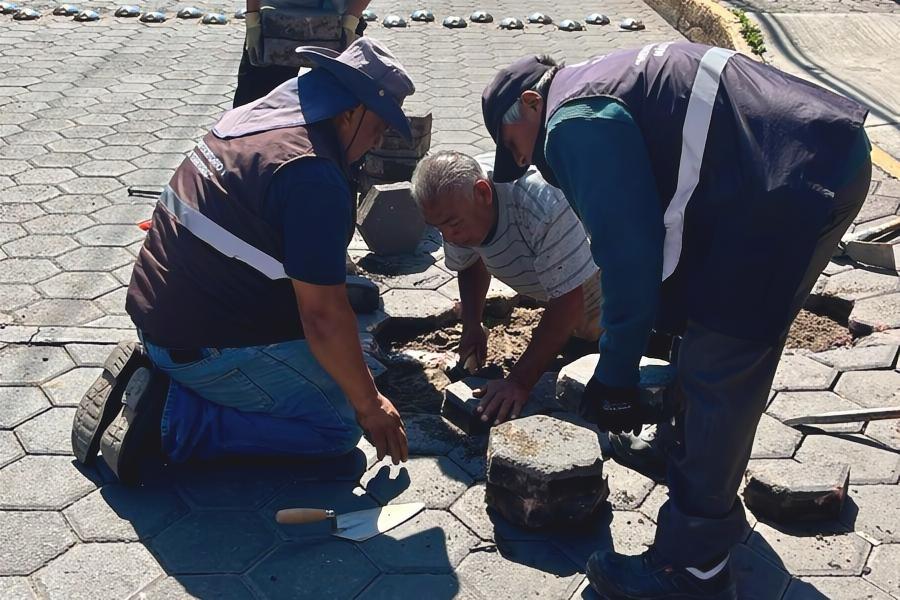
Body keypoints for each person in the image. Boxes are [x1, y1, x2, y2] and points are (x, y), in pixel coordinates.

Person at [482, 41, 871, 599]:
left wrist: (615, 374)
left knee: (723, 356)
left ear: (529, 103)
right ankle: (682, 452)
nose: (522, 161)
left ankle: (693, 565)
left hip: (793, 181)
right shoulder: (598, 83)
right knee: (702, 316)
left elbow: (628, 257)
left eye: (512, 146)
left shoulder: (573, 121)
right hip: (797, 162)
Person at [71, 38, 415, 486]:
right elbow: (323, 318)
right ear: (351, 112)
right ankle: (170, 420)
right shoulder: (313, 173)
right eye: (379, 126)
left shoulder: (255, 118)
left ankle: (165, 377)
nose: (377, 141)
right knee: (337, 425)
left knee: (348, 357)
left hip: (161, 315)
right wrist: (370, 405)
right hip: (201, 343)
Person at [410, 150, 603, 424]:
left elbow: (569, 302)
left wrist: (519, 382)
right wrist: (472, 326)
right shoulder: (457, 202)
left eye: (452, 225)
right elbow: (469, 262)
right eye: (438, 228)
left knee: (593, 337)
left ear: (484, 193)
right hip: (555, 271)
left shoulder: (542, 204)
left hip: (600, 270)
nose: (448, 237)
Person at [236, 0, 372, 107]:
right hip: (277, 20)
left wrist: (352, 19)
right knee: (255, 104)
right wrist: (253, 18)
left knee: (339, 109)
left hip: (340, 18)